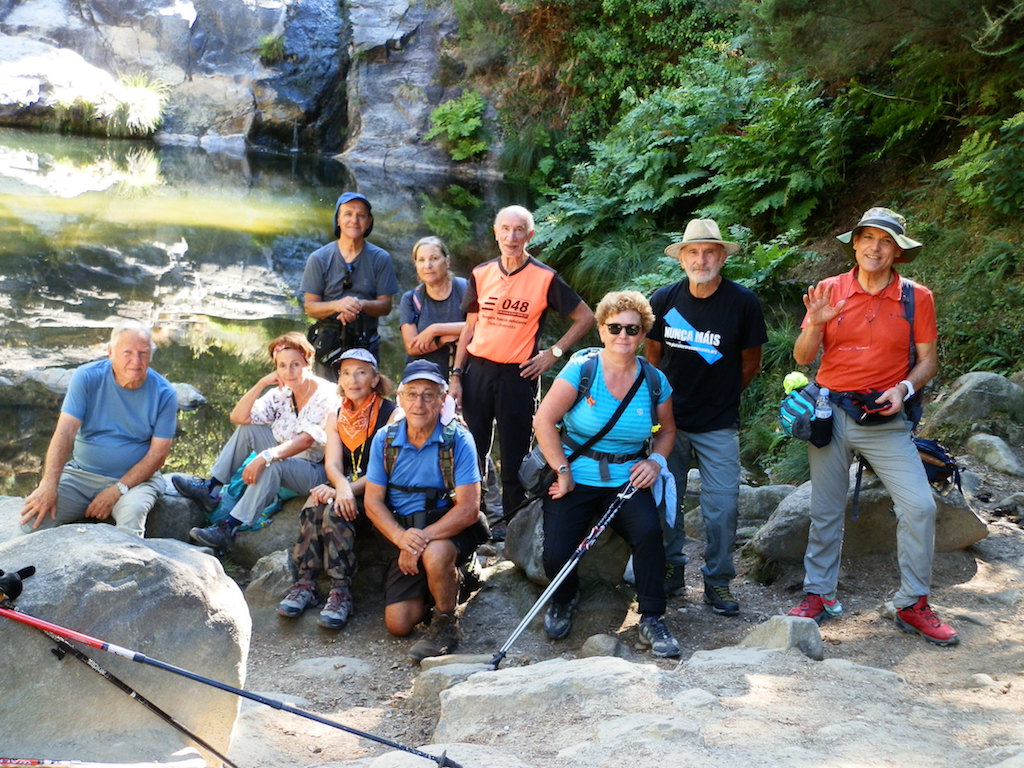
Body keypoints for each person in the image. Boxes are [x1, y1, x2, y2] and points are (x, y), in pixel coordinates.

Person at [787, 207, 958, 647]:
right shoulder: (829, 289)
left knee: (920, 506)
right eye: (867, 238)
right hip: (829, 412)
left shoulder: (917, 297)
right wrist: (816, 325)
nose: (875, 248)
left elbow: (928, 361)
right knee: (825, 509)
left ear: (898, 251)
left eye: (886, 241)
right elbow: (803, 357)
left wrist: (904, 388)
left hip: (885, 416)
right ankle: (819, 593)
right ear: (855, 244)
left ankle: (912, 602)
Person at [532, 291, 680, 657]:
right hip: (575, 474)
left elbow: (667, 431)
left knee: (649, 535)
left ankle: (652, 616)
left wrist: (654, 462)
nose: (623, 335)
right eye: (615, 327)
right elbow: (544, 420)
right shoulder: (581, 370)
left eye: (632, 328)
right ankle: (564, 596)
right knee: (556, 552)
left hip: (626, 479)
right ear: (601, 330)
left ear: (643, 334)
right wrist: (562, 471)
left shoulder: (654, 380)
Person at [647, 218, 767, 616]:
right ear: (682, 259)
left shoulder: (743, 303)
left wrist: (723, 396)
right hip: (670, 422)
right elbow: (652, 357)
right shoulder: (663, 300)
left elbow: (750, 363)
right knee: (666, 501)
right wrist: (659, 407)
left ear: (722, 258)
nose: (702, 260)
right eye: (694, 253)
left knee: (724, 506)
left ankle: (718, 581)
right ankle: (672, 569)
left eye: (710, 252)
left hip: (719, 422)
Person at [450, 205, 594, 538]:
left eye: (519, 230)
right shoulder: (481, 274)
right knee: (472, 448)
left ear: (530, 235)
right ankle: (474, 519)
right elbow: (469, 329)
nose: (511, 237)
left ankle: (513, 526)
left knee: (515, 453)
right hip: (478, 371)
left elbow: (586, 317)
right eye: (505, 229)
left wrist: (552, 354)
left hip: (519, 374)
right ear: (496, 233)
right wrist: (456, 375)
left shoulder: (545, 278)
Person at [363, 360, 484, 662]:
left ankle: (446, 625)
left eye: (429, 395)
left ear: (442, 400)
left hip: (447, 526)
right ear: (400, 398)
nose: (419, 403)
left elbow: (469, 509)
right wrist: (401, 538)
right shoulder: (385, 440)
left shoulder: (457, 440)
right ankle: (452, 579)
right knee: (399, 623)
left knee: (436, 554)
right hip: (404, 532)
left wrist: (419, 541)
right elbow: (373, 502)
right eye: (412, 394)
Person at [176, 332, 338, 550]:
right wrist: (261, 383)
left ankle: (229, 528)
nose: (289, 372)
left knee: (273, 465)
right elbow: (239, 417)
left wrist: (264, 457)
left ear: (308, 363)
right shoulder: (282, 393)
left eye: (295, 364)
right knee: (249, 429)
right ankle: (212, 488)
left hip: (313, 470)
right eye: (282, 365)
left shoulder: (326, 394)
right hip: (283, 454)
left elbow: (306, 441)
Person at [20, 320, 177, 537]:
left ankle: (125, 560)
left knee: (132, 518)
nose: (136, 361)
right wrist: (48, 484)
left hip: (136, 483)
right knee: (33, 518)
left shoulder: (164, 393)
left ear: (151, 356)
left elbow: (157, 455)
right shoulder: (87, 377)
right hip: (81, 475)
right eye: (127, 353)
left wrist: (117, 490)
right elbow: (65, 433)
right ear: (110, 352)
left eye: (143, 353)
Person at [276, 349, 397, 629]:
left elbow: (385, 470)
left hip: (377, 492)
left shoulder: (392, 414)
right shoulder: (337, 413)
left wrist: (345, 491)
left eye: (361, 372)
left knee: (335, 511)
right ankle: (306, 583)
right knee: (315, 503)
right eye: (346, 373)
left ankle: (341, 591)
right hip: (347, 486)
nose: (353, 380)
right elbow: (332, 464)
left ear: (375, 379)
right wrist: (340, 487)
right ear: (339, 380)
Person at [301, 192, 399, 380]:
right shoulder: (319, 258)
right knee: (327, 396)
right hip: (327, 345)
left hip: (366, 344)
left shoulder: (380, 258)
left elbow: (385, 306)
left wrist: (358, 305)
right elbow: (310, 307)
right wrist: (338, 305)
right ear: (338, 219)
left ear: (369, 222)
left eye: (361, 215)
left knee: (364, 395)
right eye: (348, 214)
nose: (354, 220)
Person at [399, 236, 467, 377]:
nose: (427, 265)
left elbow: (481, 326)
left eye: (434, 258)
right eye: (421, 260)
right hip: (423, 377)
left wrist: (434, 330)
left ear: (447, 262)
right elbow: (412, 347)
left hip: (462, 375)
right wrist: (442, 340)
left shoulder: (465, 289)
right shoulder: (410, 299)